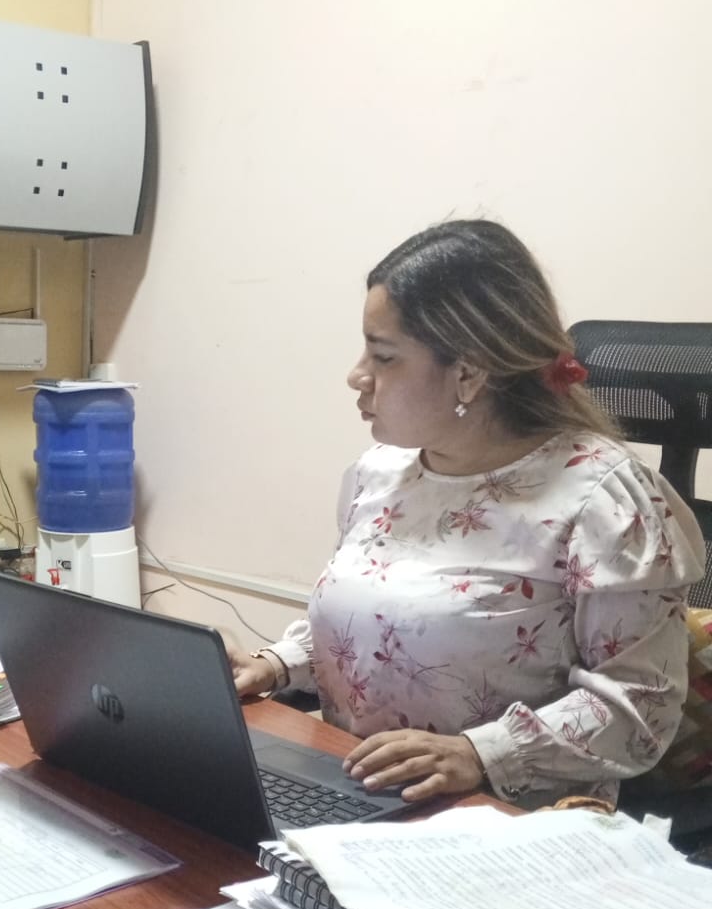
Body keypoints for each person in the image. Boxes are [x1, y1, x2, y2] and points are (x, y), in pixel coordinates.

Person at [231, 219, 704, 808]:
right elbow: (373, 626)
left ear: (470, 372)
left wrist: (480, 753)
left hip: (504, 815)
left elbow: (639, 706)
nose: (357, 376)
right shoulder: (381, 473)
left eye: (383, 355)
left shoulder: (601, 499)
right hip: (357, 791)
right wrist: (276, 664)